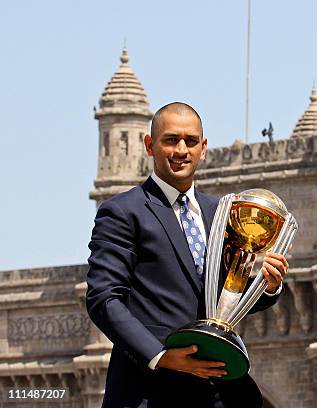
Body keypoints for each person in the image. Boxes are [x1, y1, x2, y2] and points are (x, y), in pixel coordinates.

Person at [86, 102, 289, 407]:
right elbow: (104, 299)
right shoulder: (123, 212)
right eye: (170, 140)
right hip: (149, 392)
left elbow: (226, 298)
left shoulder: (222, 213)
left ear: (203, 148)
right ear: (150, 145)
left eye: (190, 141)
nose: (181, 150)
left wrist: (268, 286)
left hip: (219, 392)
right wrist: (161, 356)